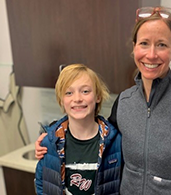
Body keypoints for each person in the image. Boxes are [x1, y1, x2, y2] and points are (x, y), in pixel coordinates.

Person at [35, 7, 171, 195]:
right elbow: (100, 137)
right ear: (134, 48)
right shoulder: (125, 102)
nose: (151, 54)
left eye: (162, 45)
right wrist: (51, 140)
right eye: (144, 43)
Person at [35, 64, 123, 195]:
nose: (77, 99)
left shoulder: (116, 142)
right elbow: (42, 185)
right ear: (61, 100)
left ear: (98, 96)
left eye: (85, 91)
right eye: (69, 93)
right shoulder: (50, 143)